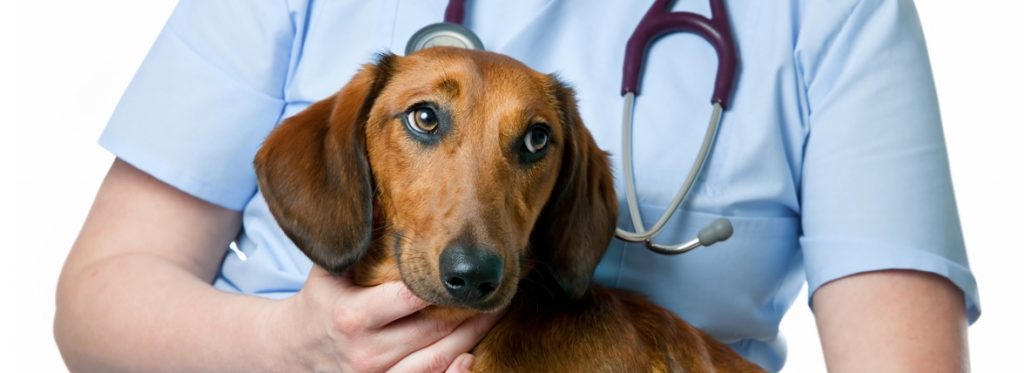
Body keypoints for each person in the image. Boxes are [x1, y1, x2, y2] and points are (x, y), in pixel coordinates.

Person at [54, 0, 979, 371]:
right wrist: (293, 345)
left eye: (529, 146)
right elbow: (97, 300)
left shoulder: (834, 14)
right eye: (426, 124)